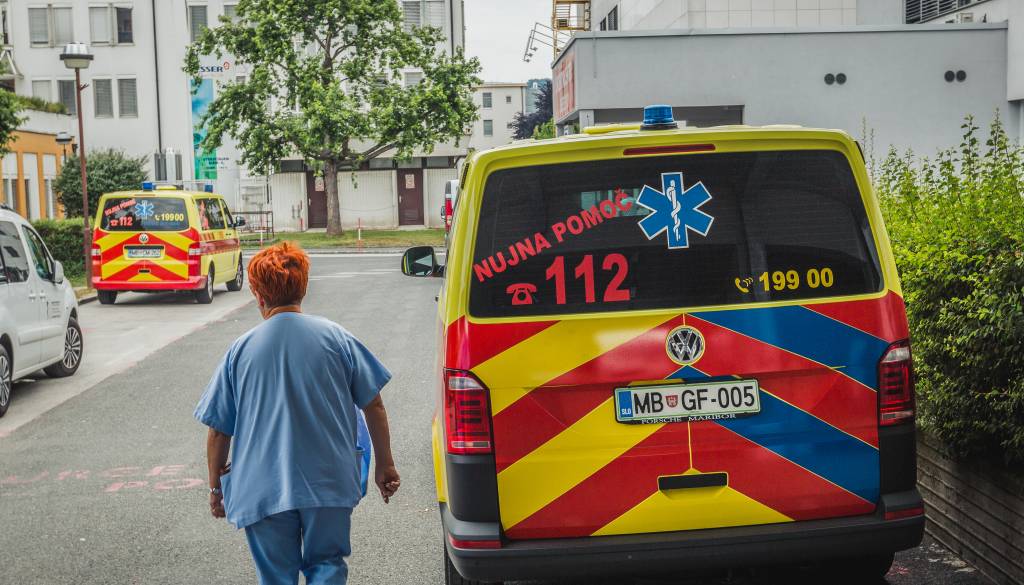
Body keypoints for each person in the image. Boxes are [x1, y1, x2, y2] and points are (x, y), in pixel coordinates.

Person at [194, 242, 400, 585]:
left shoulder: (239, 352)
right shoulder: (337, 339)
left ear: (258, 295)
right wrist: (385, 464)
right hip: (328, 481)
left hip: (262, 486)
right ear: (303, 288)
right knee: (327, 564)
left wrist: (216, 488)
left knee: (276, 576)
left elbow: (218, 429)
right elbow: (373, 404)